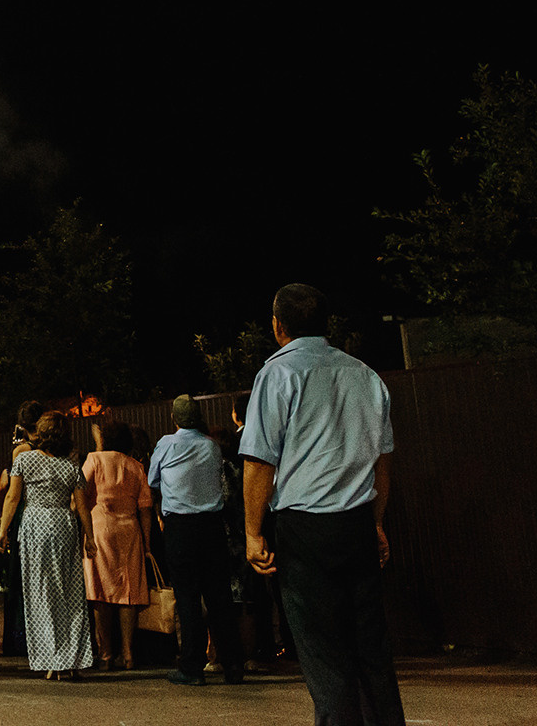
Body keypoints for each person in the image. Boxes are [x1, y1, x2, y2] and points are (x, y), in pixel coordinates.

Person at [241, 283, 406, 726]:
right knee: (372, 651)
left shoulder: (277, 375)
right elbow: (381, 462)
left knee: (325, 656)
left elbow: (259, 462)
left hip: (304, 529)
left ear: (277, 326)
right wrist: (375, 523)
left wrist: (253, 533)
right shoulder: (365, 375)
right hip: (356, 523)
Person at [151, 394, 245, 685]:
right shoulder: (212, 446)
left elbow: (153, 480)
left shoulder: (166, 444)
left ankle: (191, 667)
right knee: (219, 597)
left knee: (187, 598)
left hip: (180, 526)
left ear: (175, 418)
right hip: (212, 526)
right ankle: (233, 665)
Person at [0, 411, 95, 681]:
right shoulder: (71, 466)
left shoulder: (24, 460)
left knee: (41, 594)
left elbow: (13, 498)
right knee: (70, 593)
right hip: (64, 526)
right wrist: (90, 537)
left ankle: (53, 659)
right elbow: (82, 506)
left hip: (35, 527)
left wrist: (3, 531)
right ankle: (72, 658)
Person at [82, 419, 155, 671]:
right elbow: (146, 507)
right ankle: (128, 652)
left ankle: (105, 653)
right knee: (128, 593)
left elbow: (81, 491)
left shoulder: (94, 459)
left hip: (100, 527)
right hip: (130, 530)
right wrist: (146, 542)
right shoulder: (136, 466)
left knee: (100, 593)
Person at [0, 399, 46, 661]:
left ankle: (19, 639)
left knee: (19, 579)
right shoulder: (56, 449)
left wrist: (2, 527)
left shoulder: (22, 452)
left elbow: (13, 493)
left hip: (25, 516)